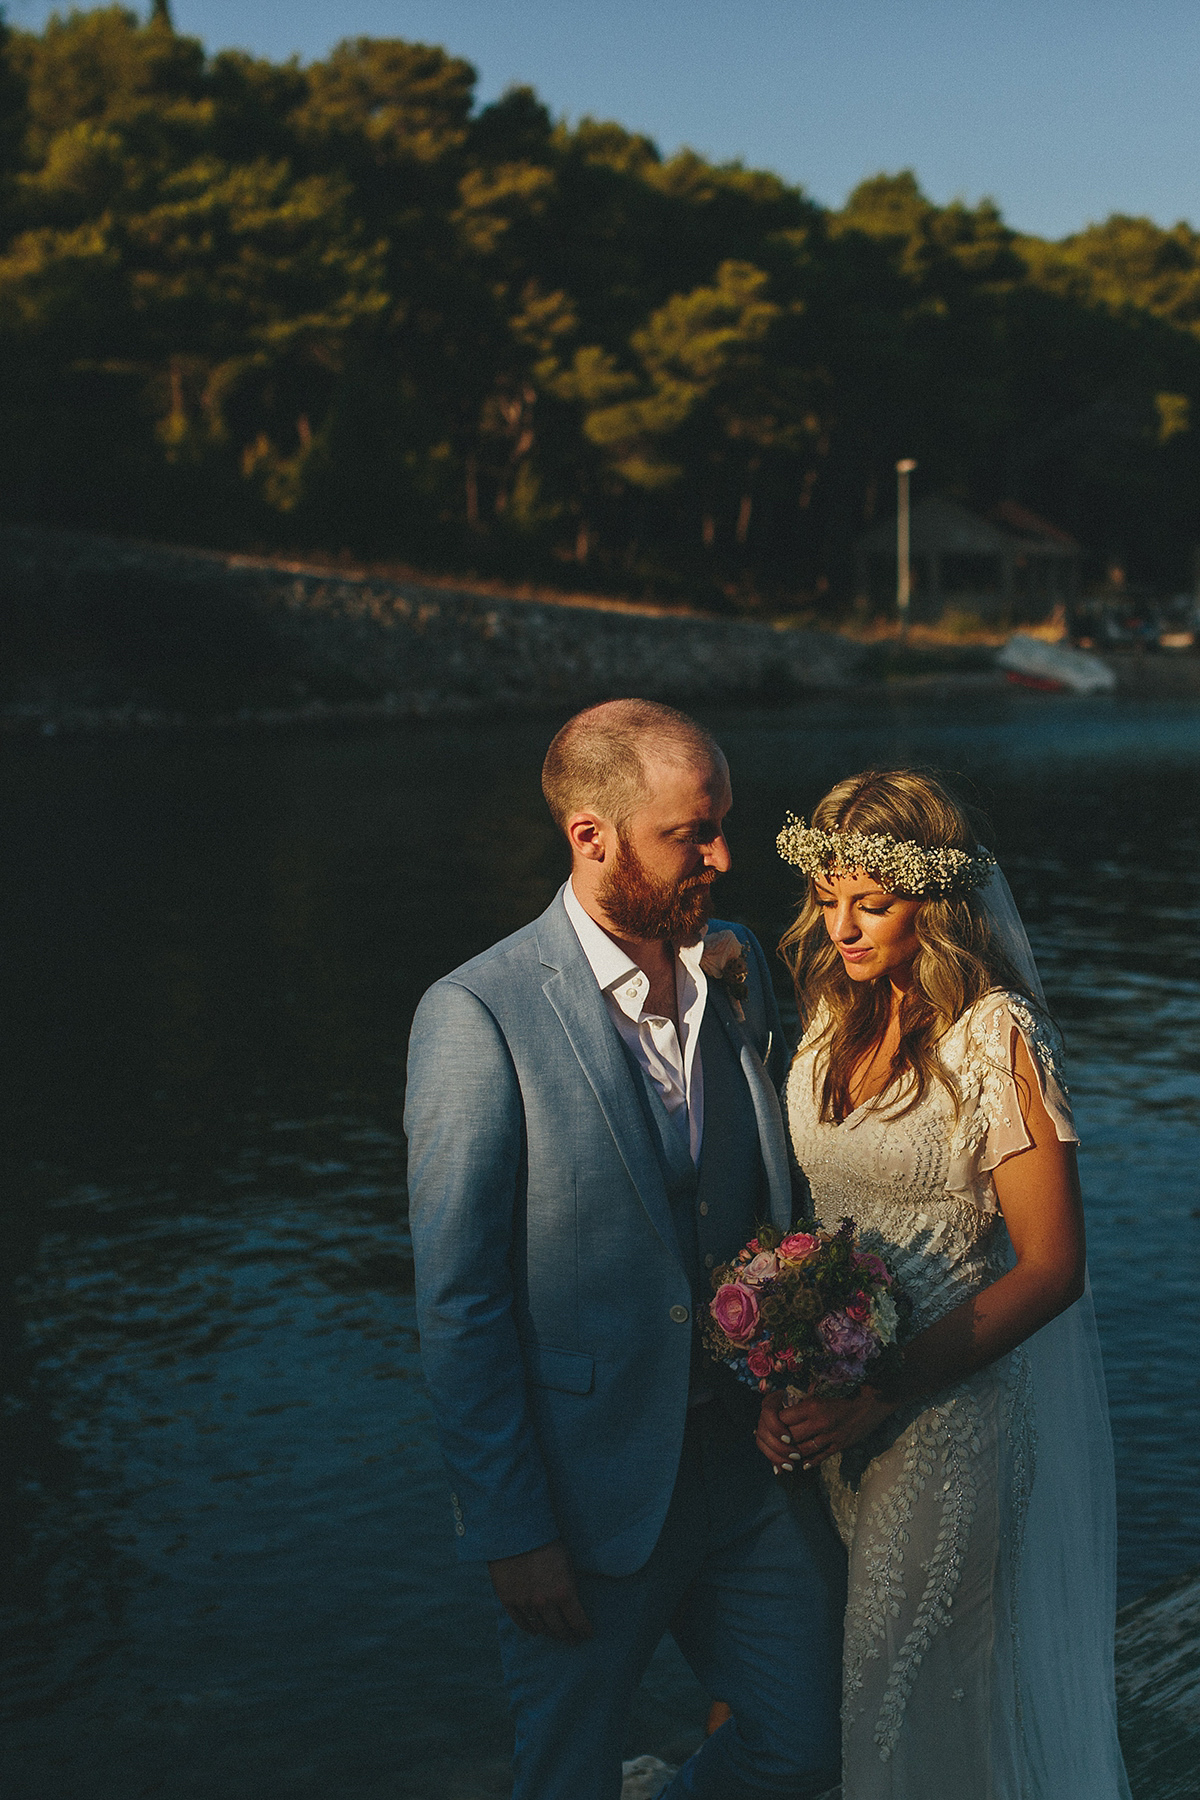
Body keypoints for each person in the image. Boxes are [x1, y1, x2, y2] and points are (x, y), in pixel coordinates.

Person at [405, 699, 846, 1800]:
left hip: (748, 1476)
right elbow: (461, 1302)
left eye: (723, 824)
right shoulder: (477, 1015)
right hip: (584, 1499)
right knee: (565, 1777)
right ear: (591, 835)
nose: (724, 856)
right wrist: (512, 1531)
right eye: (690, 833)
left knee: (811, 1745)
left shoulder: (731, 973)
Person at [755, 768, 1131, 1800]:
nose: (842, 926)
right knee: (885, 1705)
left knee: (900, 1699)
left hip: (950, 1421)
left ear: (939, 900)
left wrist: (884, 1384)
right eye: (827, 900)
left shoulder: (995, 1035)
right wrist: (787, 1363)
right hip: (837, 1420)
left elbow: (1054, 1268)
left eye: (872, 904)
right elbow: (812, 1221)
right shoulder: (831, 1014)